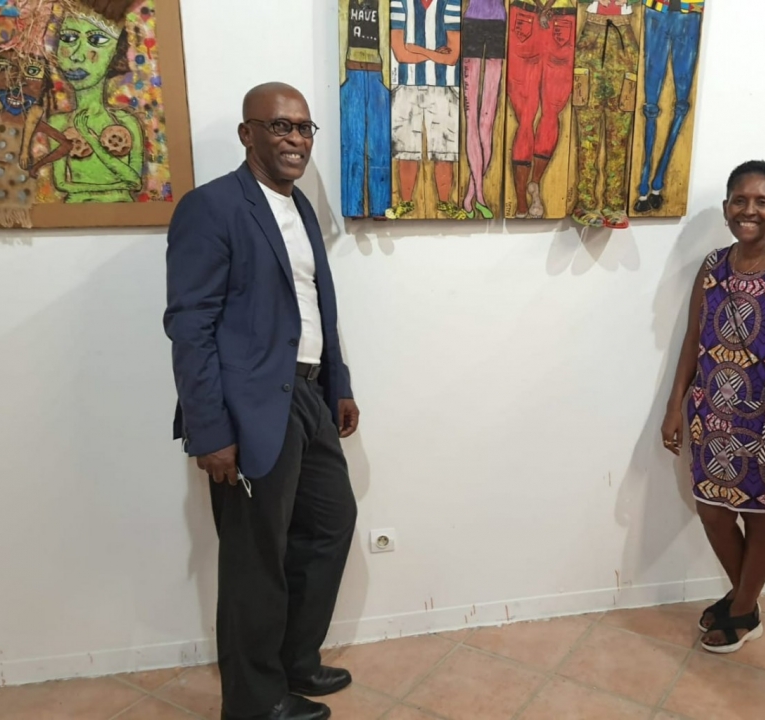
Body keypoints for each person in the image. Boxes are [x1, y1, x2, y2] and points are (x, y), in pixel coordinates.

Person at [164, 82, 359, 720]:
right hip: (246, 410)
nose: (295, 139)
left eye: (303, 128)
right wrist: (209, 430)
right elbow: (190, 325)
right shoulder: (211, 207)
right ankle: (253, 700)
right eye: (280, 126)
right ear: (247, 134)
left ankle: (294, 661)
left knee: (330, 524)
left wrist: (339, 385)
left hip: (309, 395)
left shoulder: (300, 207)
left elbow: (314, 307)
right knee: (255, 559)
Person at [662, 161, 765, 654]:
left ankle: (744, 609)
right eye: (740, 201)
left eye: (761, 202)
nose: (750, 210)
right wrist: (675, 406)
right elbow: (693, 339)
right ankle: (745, 599)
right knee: (713, 510)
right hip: (713, 414)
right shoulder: (713, 265)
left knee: (760, 516)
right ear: (727, 207)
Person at [49, 0, 144, 203]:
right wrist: (115, 187)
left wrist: (90, 138)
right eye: (68, 38)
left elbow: (136, 183)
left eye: (97, 40)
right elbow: (61, 183)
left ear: (116, 52)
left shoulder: (127, 122)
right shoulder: (57, 124)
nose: (76, 55)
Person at [385, 0, 464, 220]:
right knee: (406, 150)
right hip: (406, 84)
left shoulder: (450, 3)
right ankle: (406, 202)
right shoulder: (400, 3)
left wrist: (417, 49)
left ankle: (445, 203)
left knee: (445, 151)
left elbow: (452, 57)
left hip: (445, 85)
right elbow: (400, 54)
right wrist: (435, 54)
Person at [571, 0, 640, 229]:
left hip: (624, 39)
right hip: (591, 36)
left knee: (619, 131)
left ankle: (614, 204)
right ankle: (585, 204)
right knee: (587, 130)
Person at [506, 0, 576, 219]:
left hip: (529, 16)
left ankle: (524, 197)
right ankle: (530, 187)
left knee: (530, 116)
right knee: (547, 115)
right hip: (560, 18)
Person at [633, 0, 703, 214]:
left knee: (681, 102)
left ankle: (655, 183)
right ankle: (646, 184)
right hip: (657, 11)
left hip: (689, 13)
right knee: (652, 104)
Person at [340, 0, 391, 219]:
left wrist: (386, 81)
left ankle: (381, 206)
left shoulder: (382, 4)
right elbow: (342, 36)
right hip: (351, 73)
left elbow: (386, 36)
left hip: (377, 75)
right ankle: (353, 206)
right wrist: (343, 77)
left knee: (380, 145)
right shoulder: (347, 4)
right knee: (352, 144)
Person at [460, 0, 506, 219]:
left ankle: (471, 195)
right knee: (472, 121)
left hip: (498, 25)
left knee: (487, 124)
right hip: (473, 23)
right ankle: (479, 195)